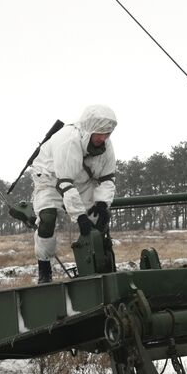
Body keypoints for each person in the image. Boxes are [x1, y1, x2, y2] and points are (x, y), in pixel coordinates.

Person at [29, 104, 118, 283]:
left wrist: (101, 203)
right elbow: (65, 183)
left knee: (98, 222)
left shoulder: (106, 146)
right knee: (47, 219)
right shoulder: (68, 141)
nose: (103, 138)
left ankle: (101, 267)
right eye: (99, 134)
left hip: (83, 180)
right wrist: (79, 217)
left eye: (107, 134)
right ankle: (44, 270)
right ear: (89, 130)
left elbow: (108, 179)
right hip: (51, 178)